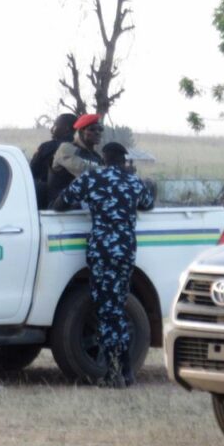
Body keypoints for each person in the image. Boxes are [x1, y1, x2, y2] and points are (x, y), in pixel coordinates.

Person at [52, 142, 154, 388]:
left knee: (106, 311)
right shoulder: (133, 181)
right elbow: (148, 203)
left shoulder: (92, 178)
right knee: (118, 305)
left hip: (102, 250)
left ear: (104, 158)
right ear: (123, 159)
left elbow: (60, 204)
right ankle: (127, 371)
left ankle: (113, 373)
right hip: (126, 251)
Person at [47, 113, 105, 204]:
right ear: (81, 132)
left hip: (85, 207)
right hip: (60, 208)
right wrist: (112, 170)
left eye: (100, 129)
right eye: (92, 129)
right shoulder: (67, 148)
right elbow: (82, 169)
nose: (97, 132)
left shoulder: (97, 157)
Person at [30, 113, 77, 208]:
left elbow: (31, 171)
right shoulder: (80, 149)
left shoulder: (47, 147)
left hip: (48, 200)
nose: (52, 129)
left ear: (66, 128)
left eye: (55, 125)